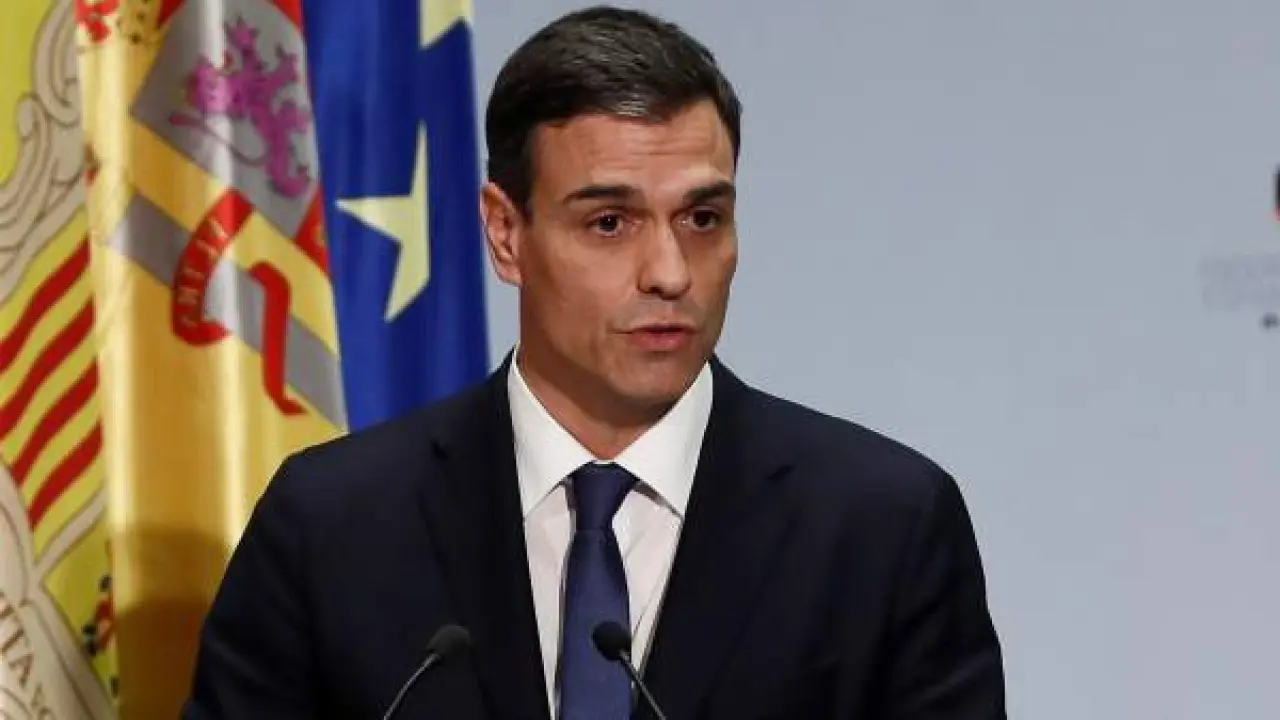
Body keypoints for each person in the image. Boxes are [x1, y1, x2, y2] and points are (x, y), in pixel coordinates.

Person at [182, 6, 1006, 719]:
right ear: (507, 234)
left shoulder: (881, 528)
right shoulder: (333, 527)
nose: (670, 273)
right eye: (610, 223)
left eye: (703, 219)